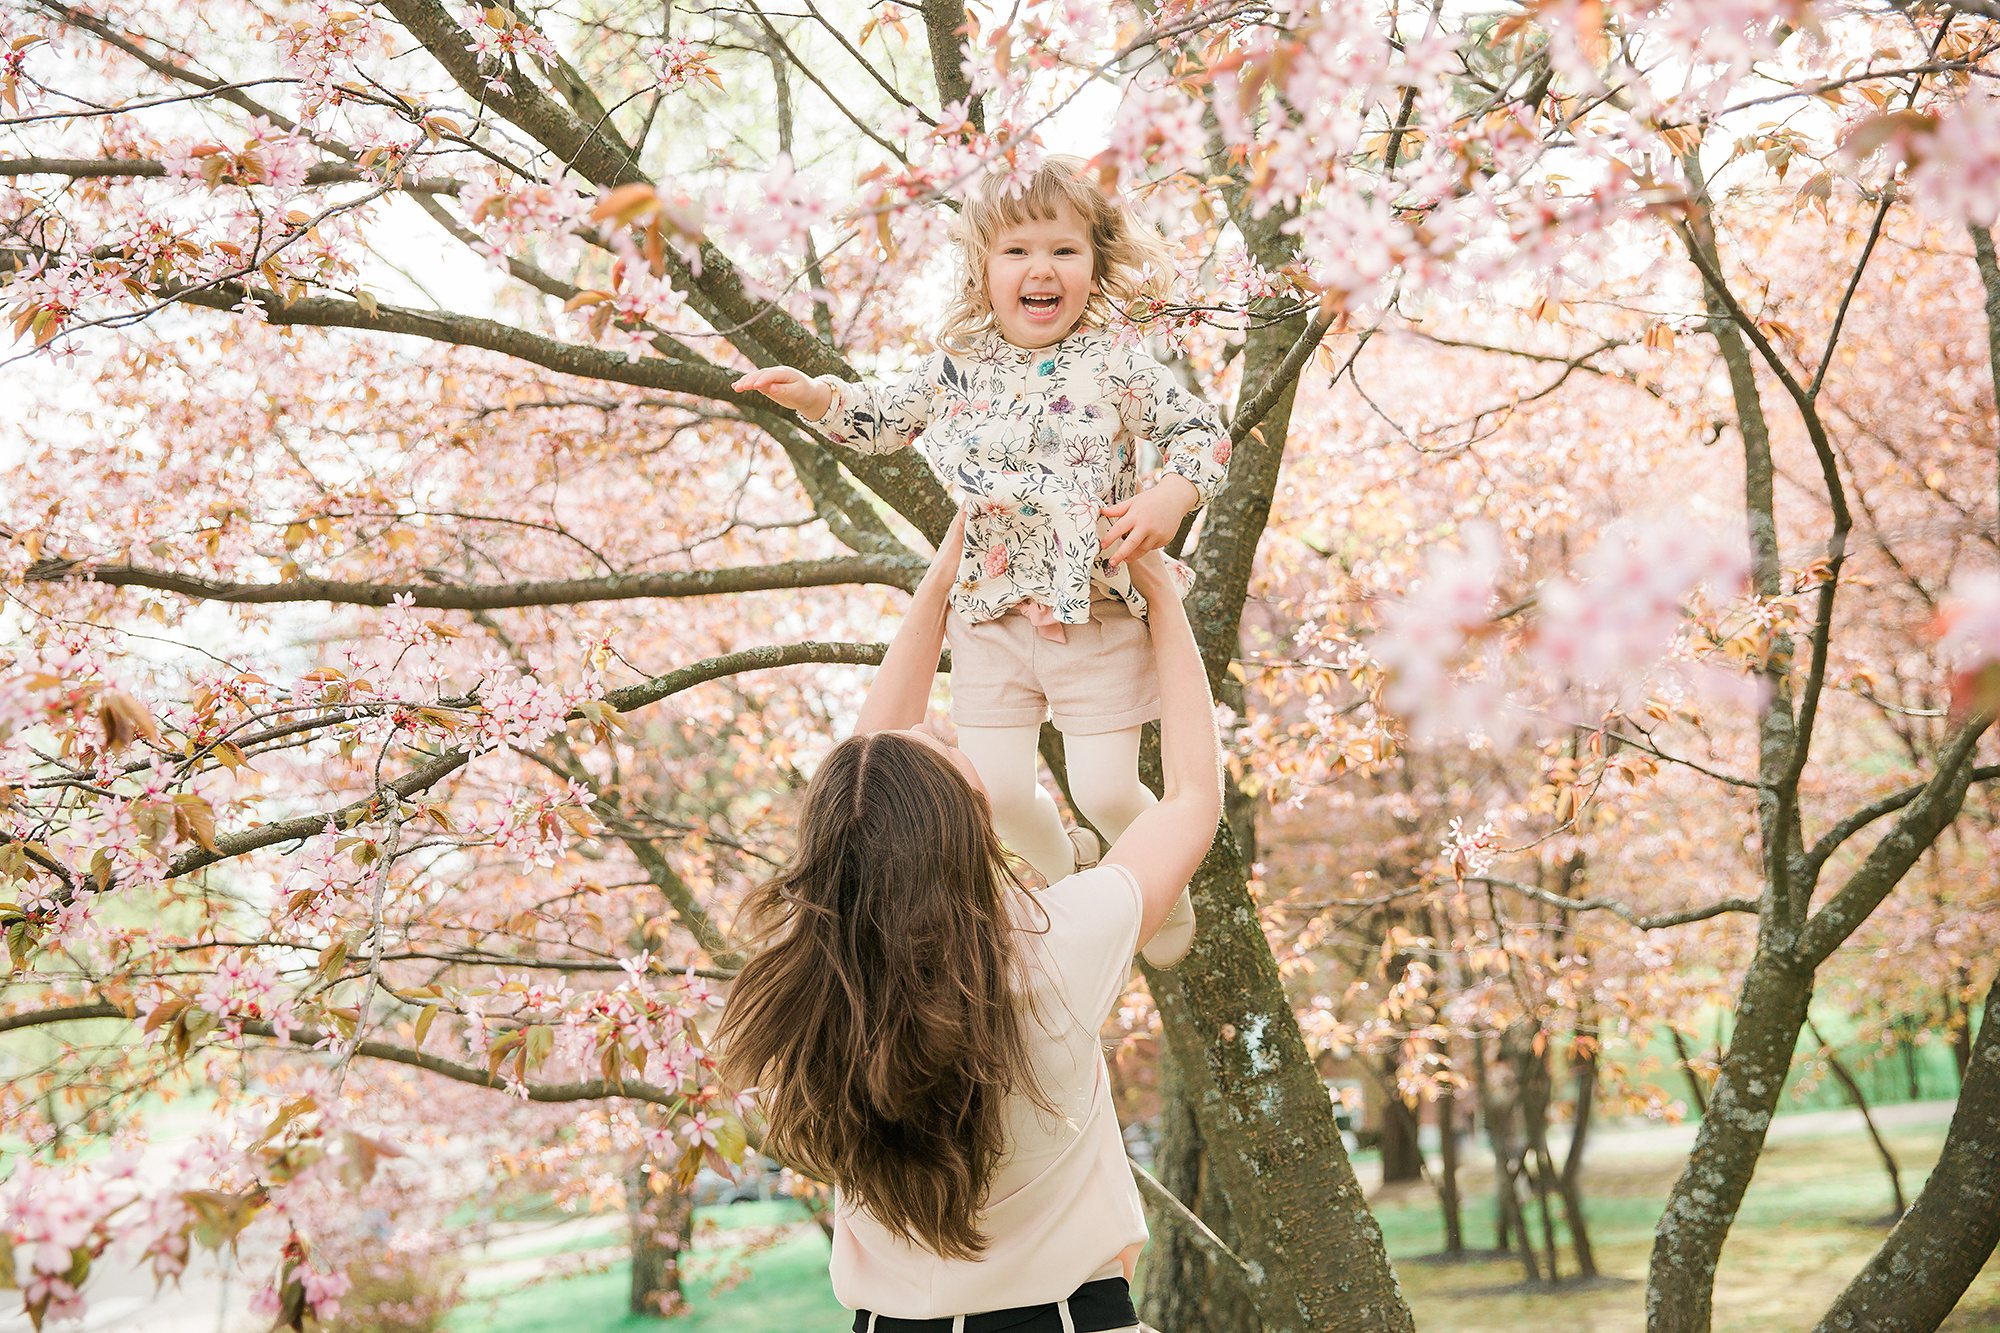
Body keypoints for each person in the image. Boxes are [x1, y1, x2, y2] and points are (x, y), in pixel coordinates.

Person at [716, 513, 1223, 1333]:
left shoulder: (819, 986)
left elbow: (870, 791)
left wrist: (943, 577)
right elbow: (1192, 798)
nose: (940, 724)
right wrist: (1163, 598)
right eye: (944, 744)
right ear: (969, 814)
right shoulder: (1053, 949)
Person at [731, 154, 1231, 968]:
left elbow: (1201, 433)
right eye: (1018, 252)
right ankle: (1068, 866)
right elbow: (885, 415)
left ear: (1095, 265)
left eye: (1064, 251)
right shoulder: (958, 367)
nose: (1042, 269)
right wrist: (817, 396)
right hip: (990, 612)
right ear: (984, 269)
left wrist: (1168, 499)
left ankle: (1158, 881)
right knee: (996, 797)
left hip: (1095, 611)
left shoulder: (1115, 362)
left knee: (1106, 786)